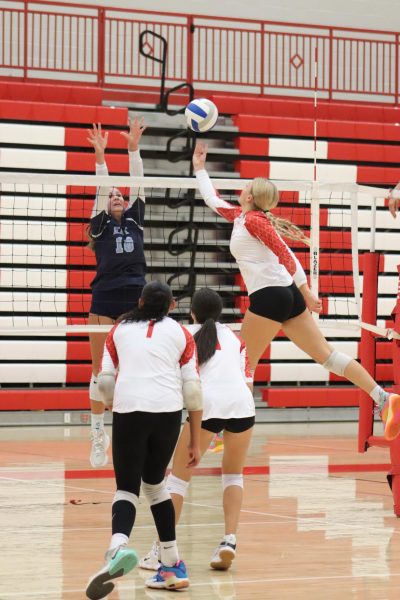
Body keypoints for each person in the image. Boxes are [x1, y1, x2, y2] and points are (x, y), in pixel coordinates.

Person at [192, 141, 400, 442]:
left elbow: (286, 255)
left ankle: (226, 435)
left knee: (243, 362)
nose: (242, 187)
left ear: (250, 195)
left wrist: (307, 292)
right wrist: (200, 168)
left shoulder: (253, 221)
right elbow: (212, 199)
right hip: (285, 295)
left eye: (246, 185)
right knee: (327, 356)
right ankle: (383, 398)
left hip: (271, 295)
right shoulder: (241, 217)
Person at [85, 281, 203, 599]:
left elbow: (105, 381)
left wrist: (112, 404)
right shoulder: (182, 334)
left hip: (130, 410)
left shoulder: (120, 329)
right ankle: (172, 562)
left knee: (127, 488)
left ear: (139, 301)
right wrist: (194, 438)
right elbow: (192, 391)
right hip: (167, 413)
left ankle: (117, 547)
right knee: (154, 484)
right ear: (170, 307)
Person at [139, 288, 255, 573]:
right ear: (220, 313)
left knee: (177, 481)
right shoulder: (235, 337)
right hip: (243, 405)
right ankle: (229, 541)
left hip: (206, 406)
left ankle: (161, 551)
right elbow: (247, 379)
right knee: (233, 474)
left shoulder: (181, 333)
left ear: (192, 312)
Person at [86, 118, 147, 468]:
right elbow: (99, 187)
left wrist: (132, 148)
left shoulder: (136, 218)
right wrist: (100, 155)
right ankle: (97, 433)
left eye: (119, 194)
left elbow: (137, 182)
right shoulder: (101, 223)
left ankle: (133, 433)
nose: (116, 195)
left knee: (132, 369)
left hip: (136, 298)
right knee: (99, 373)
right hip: (104, 298)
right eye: (112, 196)